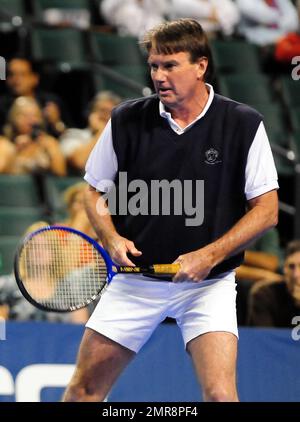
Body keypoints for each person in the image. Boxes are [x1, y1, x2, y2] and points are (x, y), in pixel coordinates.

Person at [63, 19, 279, 402]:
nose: (159, 76)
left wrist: (209, 255)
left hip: (207, 287)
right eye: (153, 65)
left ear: (200, 66)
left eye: (170, 65)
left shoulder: (243, 124)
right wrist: (110, 237)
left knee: (220, 396)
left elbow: (266, 210)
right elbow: (93, 189)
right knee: (84, 390)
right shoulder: (125, 118)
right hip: (135, 283)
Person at [248, 240, 300, 327]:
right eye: (291, 266)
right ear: (284, 269)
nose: (296, 274)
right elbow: (263, 337)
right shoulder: (264, 294)